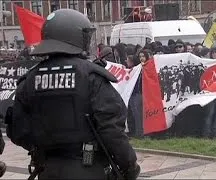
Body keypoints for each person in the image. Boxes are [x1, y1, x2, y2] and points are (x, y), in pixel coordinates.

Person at [6, 9, 140, 179]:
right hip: (89, 168)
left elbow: (17, 130)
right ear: (76, 38)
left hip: (47, 170)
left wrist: (43, 149)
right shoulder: (91, 76)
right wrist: (130, 165)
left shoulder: (29, 79)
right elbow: (112, 130)